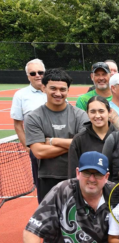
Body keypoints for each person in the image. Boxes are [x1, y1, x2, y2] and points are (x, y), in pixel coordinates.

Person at [25, 69, 89, 202]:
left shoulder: (80, 115)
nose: (58, 93)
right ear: (44, 88)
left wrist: (52, 141)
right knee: (50, 220)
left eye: (62, 89)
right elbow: (39, 152)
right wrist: (73, 144)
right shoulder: (33, 117)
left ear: (68, 90)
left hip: (76, 176)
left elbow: (85, 144)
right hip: (47, 178)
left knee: (76, 218)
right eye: (53, 88)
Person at [10, 58, 47, 194]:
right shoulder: (20, 95)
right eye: (33, 73)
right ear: (28, 77)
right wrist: (27, 147)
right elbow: (18, 124)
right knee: (42, 188)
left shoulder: (55, 91)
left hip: (58, 147)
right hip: (37, 150)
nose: (37, 75)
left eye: (40, 72)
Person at [68, 96, 118, 178]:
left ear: (109, 112)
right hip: (89, 188)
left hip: (114, 189)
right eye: (93, 112)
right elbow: (73, 174)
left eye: (101, 111)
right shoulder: (79, 140)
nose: (97, 116)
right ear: (87, 113)